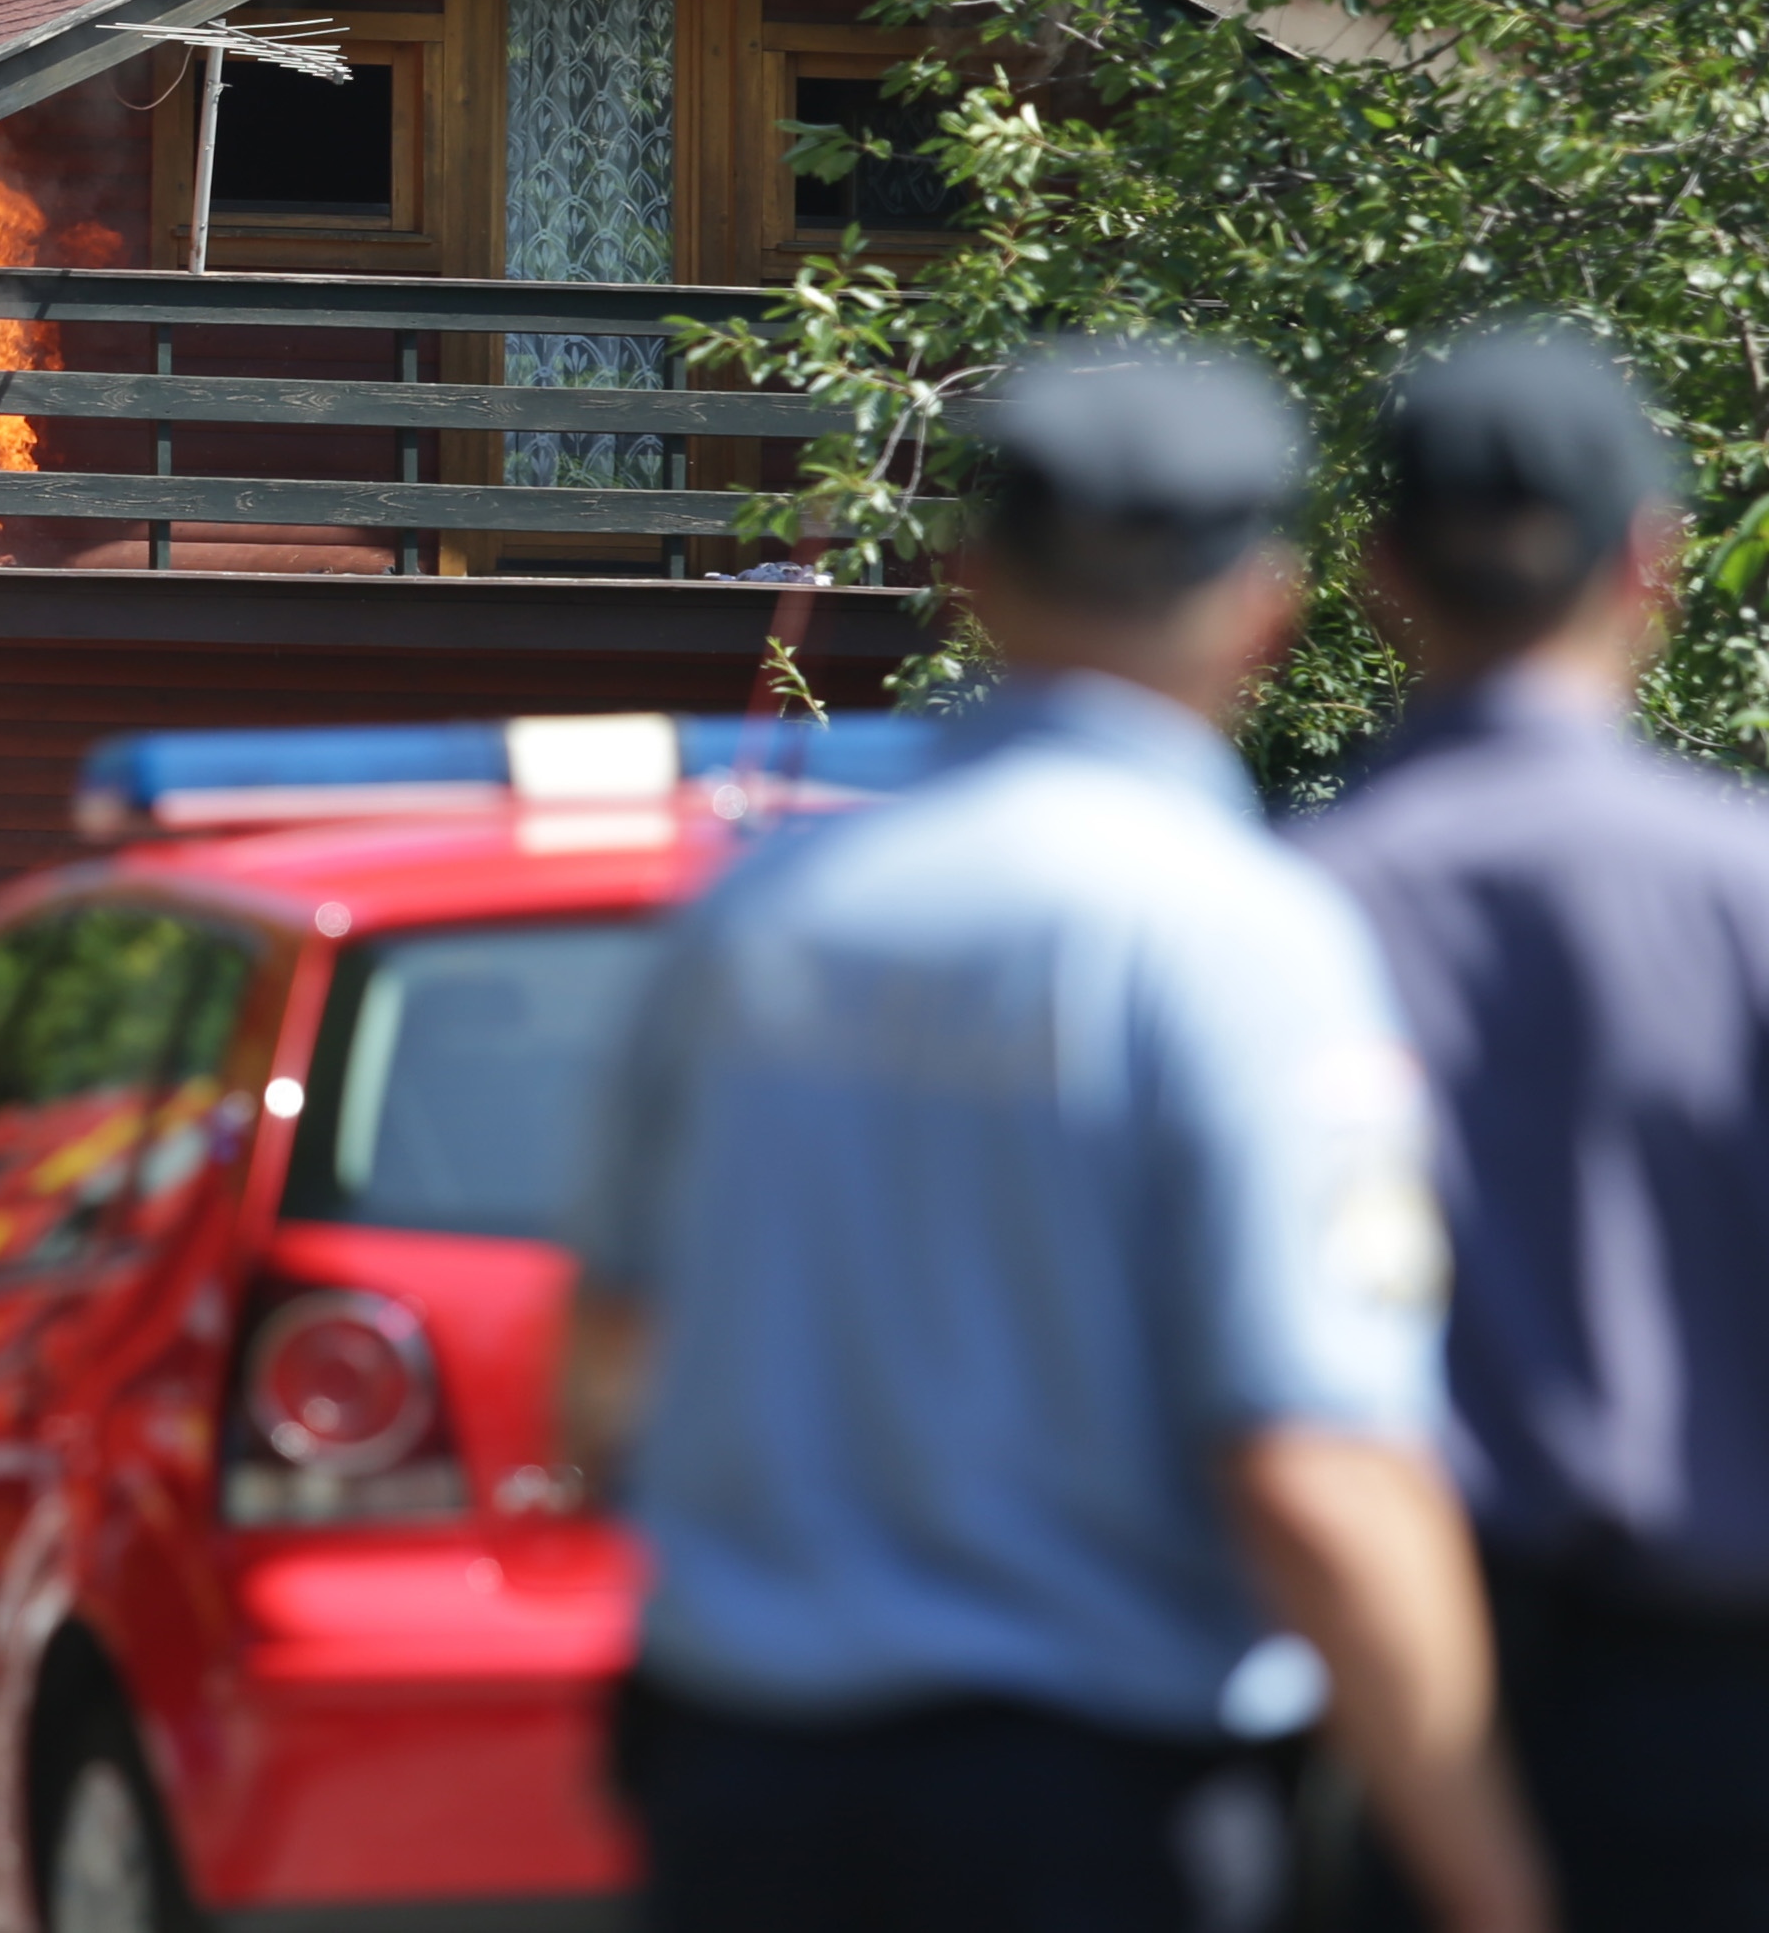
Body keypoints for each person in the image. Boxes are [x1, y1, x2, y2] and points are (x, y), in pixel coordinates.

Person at [566, 336, 1550, 1933]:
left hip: (739, 1788)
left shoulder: (749, 921)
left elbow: (610, 1365)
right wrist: (1491, 1876)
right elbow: (1316, 1458)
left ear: (970, 582)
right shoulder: (1242, 940)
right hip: (1093, 1817)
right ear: (1269, 604)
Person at [1300, 325, 1769, 1929]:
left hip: (1395, 1708)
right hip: (1727, 1706)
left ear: (1378, 574)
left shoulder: (1282, 920)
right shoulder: (1744, 893)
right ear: (1652, 564)